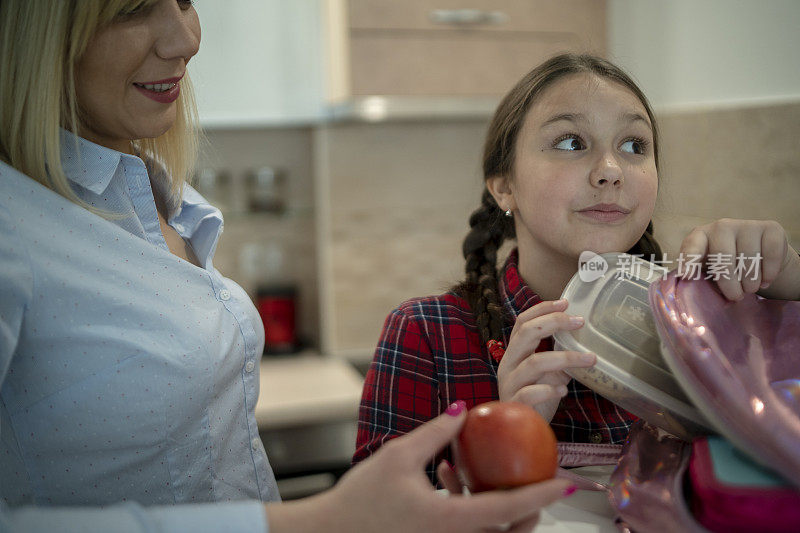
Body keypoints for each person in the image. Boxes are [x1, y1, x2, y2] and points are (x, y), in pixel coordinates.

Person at [0, 1, 576, 531]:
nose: (186, 38)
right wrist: (327, 519)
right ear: (36, 32)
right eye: (130, 9)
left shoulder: (156, 196)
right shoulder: (14, 226)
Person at [353, 53, 800, 483]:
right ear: (504, 187)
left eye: (633, 145)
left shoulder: (709, 323)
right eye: (571, 142)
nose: (610, 170)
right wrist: (501, 449)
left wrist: (790, 293)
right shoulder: (424, 335)